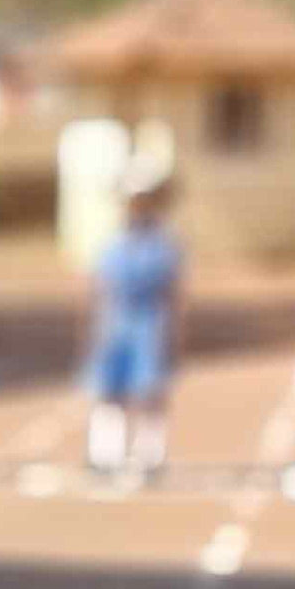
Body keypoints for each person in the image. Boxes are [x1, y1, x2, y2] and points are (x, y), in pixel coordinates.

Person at [84, 174, 188, 478]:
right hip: (115, 324)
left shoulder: (164, 245)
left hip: (150, 324)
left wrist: (175, 333)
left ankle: (150, 455)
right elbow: (100, 287)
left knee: (150, 391)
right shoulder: (113, 243)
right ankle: (105, 454)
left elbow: (173, 292)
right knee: (109, 390)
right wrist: (94, 331)